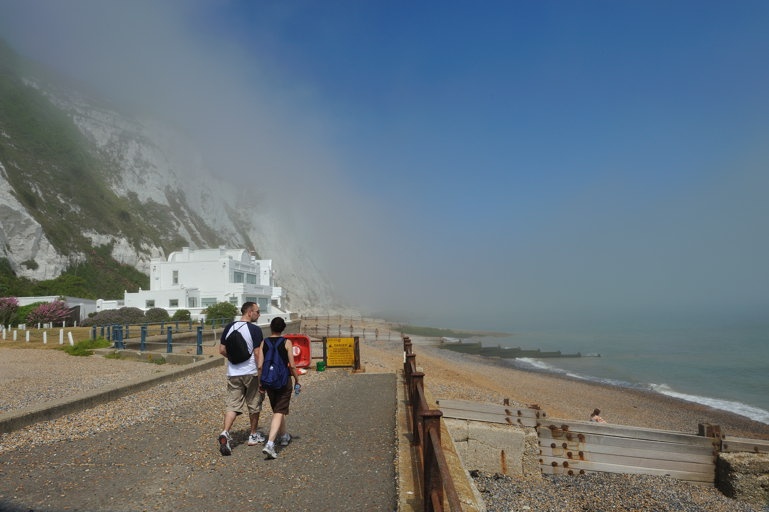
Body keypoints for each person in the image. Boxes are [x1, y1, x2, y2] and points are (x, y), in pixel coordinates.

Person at [217, 302, 265, 456]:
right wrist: (261, 373)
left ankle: (225, 432)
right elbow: (258, 354)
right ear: (250, 312)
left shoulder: (229, 327)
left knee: (232, 405)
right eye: (258, 311)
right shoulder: (255, 330)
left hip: (233, 372)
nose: (259, 314)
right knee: (254, 403)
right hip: (251, 372)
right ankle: (253, 435)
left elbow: (222, 350)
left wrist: (233, 359)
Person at [258, 316, 301, 459]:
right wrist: (297, 380)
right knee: (279, 411)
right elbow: (292, 365)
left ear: (271, 327)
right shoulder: (287, 342)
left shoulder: (264, 342)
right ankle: (270, 444)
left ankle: (284, 436)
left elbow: (259, 366)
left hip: (268, 381)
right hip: (283, 381)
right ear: (283, 329)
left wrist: (261, 383)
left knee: (278, 410)